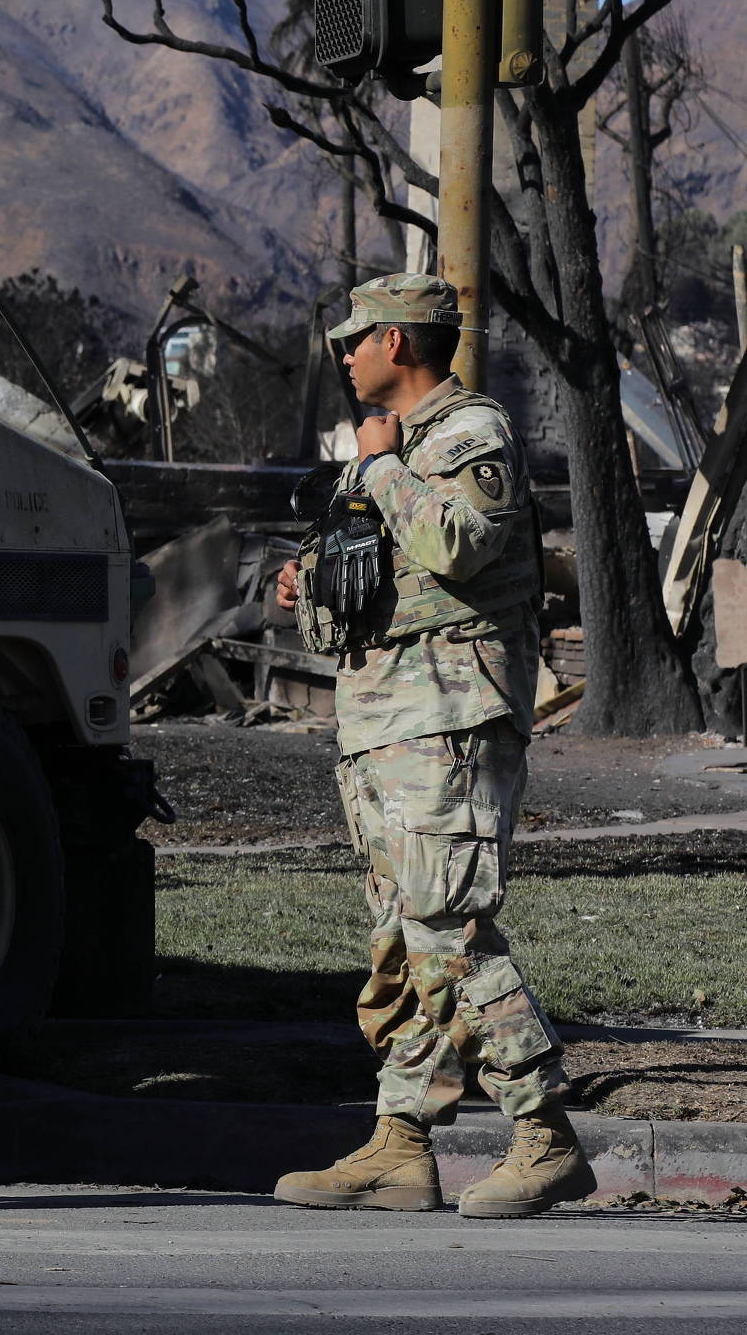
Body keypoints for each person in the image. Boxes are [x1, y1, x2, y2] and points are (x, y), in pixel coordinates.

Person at [272, 273, 589, 1219]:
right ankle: (402, 1146)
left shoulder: (467, 437)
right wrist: (309, 580)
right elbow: (376, 572)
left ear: (400, 343)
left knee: (449, 928)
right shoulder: (389, 450)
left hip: (447, 717)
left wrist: (377, 470)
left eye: (356, 338)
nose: (344, 353)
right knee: (403, 938)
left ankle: (545, 1132)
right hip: (380, 718)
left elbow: (456, 546)